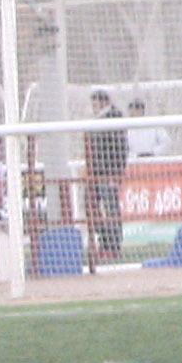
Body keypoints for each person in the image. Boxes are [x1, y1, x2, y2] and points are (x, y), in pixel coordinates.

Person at [82, 87, 127, 261]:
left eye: (96, 103)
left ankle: (113, 245)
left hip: (108, 173)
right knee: (92, 207)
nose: (93, 106)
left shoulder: (114, 118)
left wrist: (115, 174)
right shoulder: (97, 119)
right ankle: (103, 240)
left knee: (110, 209)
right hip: (96, 173)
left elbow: (119, 149)